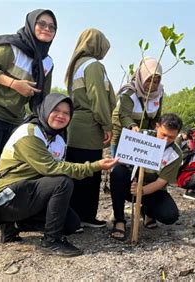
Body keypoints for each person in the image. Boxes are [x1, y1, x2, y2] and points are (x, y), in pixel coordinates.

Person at [0, 93, 118, 256]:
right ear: (44, 110)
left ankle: (13, 225)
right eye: (56, 110)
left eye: (66, 113)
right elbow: (51, 168)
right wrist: (95, 166)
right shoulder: (29, 133)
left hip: (26, 196)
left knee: (71, 224)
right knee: (61, 182)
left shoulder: (57, 139)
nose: (61, 116)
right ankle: (51, 241)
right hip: (3, 200)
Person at [0, 9, 57, 250]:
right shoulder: (11, 47)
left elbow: (40, 96)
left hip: (14, 117)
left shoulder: (46, 61)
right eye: (42, 24)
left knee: (0, 169)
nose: (46, 29)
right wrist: (14, 83)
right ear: (31, 25)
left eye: (51, 26)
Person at [64, 28, 116, 228]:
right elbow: (98, 97)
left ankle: (74, 217)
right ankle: (86, 217)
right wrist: (106, 124)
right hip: (90, 126)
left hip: (75, 126)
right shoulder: (93, 65)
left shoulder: (75, 65)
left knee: (76, 171)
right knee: (90, 173)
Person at [109, 113, 183, 241]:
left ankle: (148, 212)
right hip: (130, 185)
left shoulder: (176, 154)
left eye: (171, 137)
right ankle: (119, 220)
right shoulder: (141, 136)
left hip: (152, 190)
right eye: (163, 135)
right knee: (118, 172)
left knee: (170, 216)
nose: (166, 140)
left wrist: (141, 191)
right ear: (157, 127)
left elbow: (161, 182)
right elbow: (121, 159)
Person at [110, 57, 164, 156]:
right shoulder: (130, 92)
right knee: (119, 160)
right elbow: (124, 115)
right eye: (148, 80)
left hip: (143, 130)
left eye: (156, 82)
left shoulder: (159, 93)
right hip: (122, 128)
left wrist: (153, 133)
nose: (152, 85)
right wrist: (132, 126)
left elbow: (157, 116)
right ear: (142, 77)